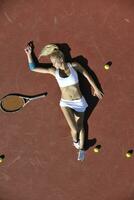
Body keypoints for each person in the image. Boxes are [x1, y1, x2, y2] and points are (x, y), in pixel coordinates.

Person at [24, 43, 104, 161]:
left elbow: (87, 75)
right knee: (75, 129)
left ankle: (81, 148)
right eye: (52, 62)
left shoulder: (74, 65)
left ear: (61, 59)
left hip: (79, 102)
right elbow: (33, 68)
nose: (53, 64)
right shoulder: (53, 71)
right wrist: (29, 54)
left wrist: (96, 88)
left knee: (81, 125)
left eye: (54, 61)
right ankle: (75, 141)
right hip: (65, 103)